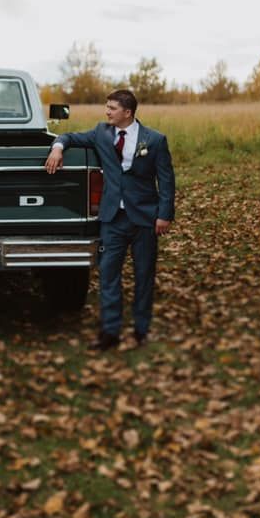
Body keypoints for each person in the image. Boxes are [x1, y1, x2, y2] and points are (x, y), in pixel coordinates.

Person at [44, 89, 174, 350]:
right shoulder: (101, 133)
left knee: (144, 276)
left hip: (145, 218)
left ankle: (141, 330)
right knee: (108, 275)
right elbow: (69, 136)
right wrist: (58, 148)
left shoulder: (155, 140)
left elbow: (167, 180)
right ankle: (110, 332)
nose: (107, 112)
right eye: (107, 107)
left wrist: (164, 215)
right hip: (112, 217)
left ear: (127, 112)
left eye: (112, 108)